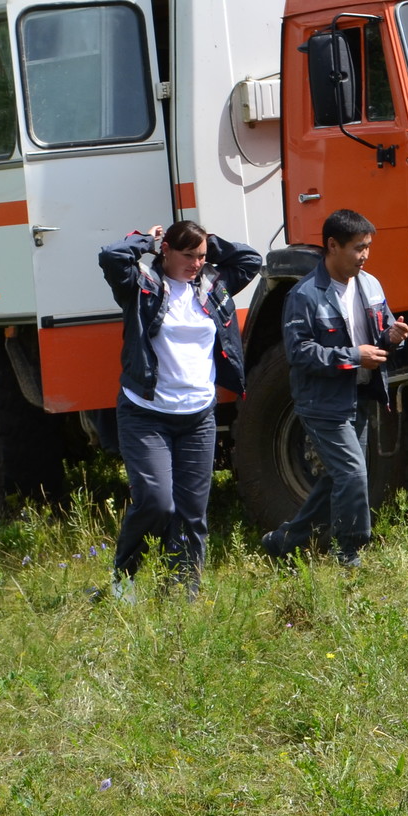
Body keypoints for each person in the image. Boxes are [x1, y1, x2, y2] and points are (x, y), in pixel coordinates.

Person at [98, 220, 263, 593]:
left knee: (192, 512)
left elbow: (250, 260)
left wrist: (207, 244)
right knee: (157, 503)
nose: (196, 264)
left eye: (202, 256)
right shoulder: (140, 285)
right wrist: (148, 239)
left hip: (198, 417)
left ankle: (182, 592)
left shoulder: (212, 285)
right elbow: (111, 256)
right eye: (188, 255)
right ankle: (124, 580)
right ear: (166, 251)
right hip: (145, 414)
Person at [261, 209, 408, 567]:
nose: (365, 255)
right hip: (321, 401)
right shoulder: (304, 295)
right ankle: (350, 551)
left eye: (368, 247)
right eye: (358, 248)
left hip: (358, 394)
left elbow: (382, 331)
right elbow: (300, 353)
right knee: (352, 473)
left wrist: (392, 337)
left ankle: (285, 541)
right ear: (332, 246)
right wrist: (354, 355)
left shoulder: (370, 284)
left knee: (341, 477)